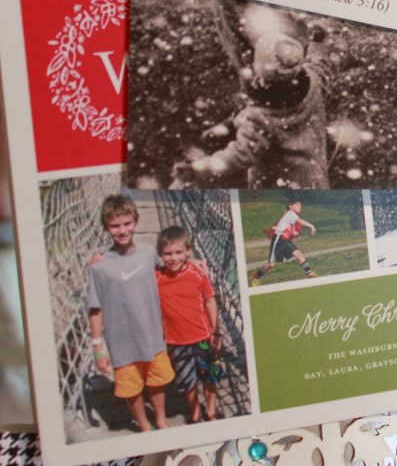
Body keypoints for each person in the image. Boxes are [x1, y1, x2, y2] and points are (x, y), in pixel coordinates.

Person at [172, 22, 335, 190]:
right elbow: (319, 64)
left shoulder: (262, 117)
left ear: (261, 70)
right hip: (314, 182)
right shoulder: (313, 83)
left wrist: (197, 170)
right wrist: (317, 42)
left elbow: (239, 155)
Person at [88, 194, 174, 432]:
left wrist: (193, 262)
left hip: (153, 335)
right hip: (122, 343)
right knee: (131, 386)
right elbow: (95, 309)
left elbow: (170, 269)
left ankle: (160, 419)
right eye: (115, 226)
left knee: (157, 380)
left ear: (136, 222)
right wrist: (97, 348)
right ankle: (144, 425)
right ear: (106, 228)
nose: (122, 230)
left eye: (127, 223)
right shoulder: (100, 266)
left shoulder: (148, 253)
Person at [155, 226, 225, 424]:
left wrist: (216, 332)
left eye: (179, 252)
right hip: (176, 342)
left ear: (187, 251)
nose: (174, 258)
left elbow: (210, 301)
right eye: (168, 254)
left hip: (203, 337)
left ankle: (211, 411)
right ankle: (194, 411)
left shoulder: (197, 272)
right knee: (187, 381)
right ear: (160, 254)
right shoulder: (156, 278)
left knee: (210, 377)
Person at [250, 198, 319, 286]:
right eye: (297, 204)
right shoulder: (290, 213)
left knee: (299, 254)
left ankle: (309, 273)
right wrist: (311, 226)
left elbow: (290, 227)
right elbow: (300, 221)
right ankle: (255, 277)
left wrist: (293, 232)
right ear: (290, 206)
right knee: (271, 264)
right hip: (278, 240)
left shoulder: (292, 216)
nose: (299, 206)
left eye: (300, 205)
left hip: (286, 241)